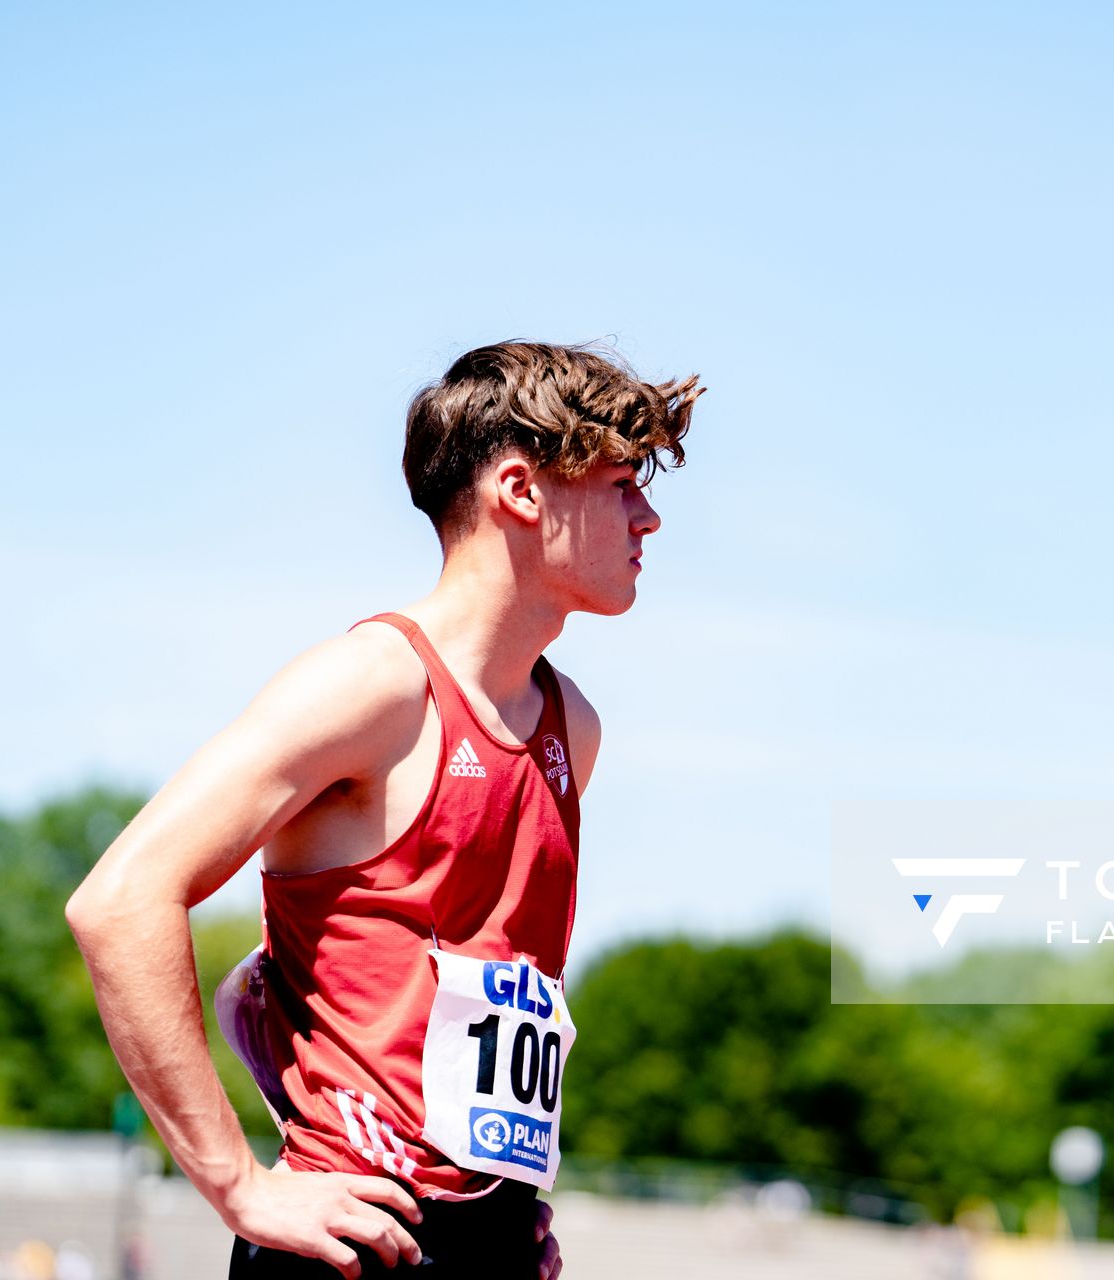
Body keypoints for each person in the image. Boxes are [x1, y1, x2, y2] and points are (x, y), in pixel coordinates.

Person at [66, 341, 703, 1277]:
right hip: (352, 1238)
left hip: (491, 1241)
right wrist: (238, 1184)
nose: (649, 516)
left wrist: (501, 1205)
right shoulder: (371, 687)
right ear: (520, 490)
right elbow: (120, 901)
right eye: (620, 485)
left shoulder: (574, 726)